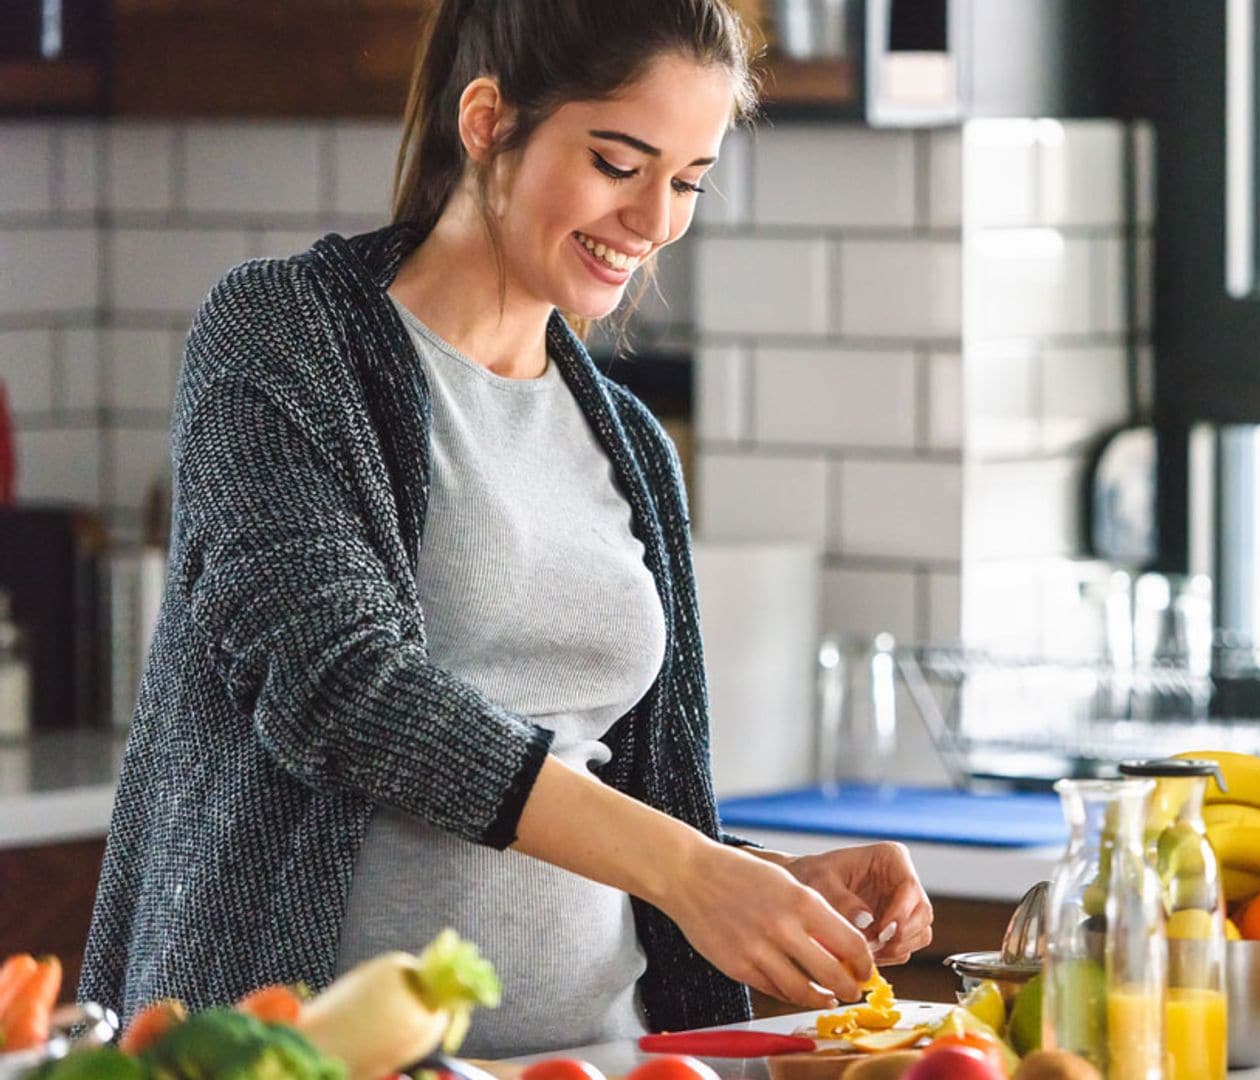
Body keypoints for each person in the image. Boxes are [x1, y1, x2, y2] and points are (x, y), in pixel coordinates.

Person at [78, 0, 933, 1055]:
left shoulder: (628, 442)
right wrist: (689, 868)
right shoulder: (282, 336)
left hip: (604, 1057)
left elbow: (601, 786)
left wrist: (757, 878)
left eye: (688, 181)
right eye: (620, 163)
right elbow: (337, 685)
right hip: (312, 1060)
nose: (656, 219)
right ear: (488, 121)